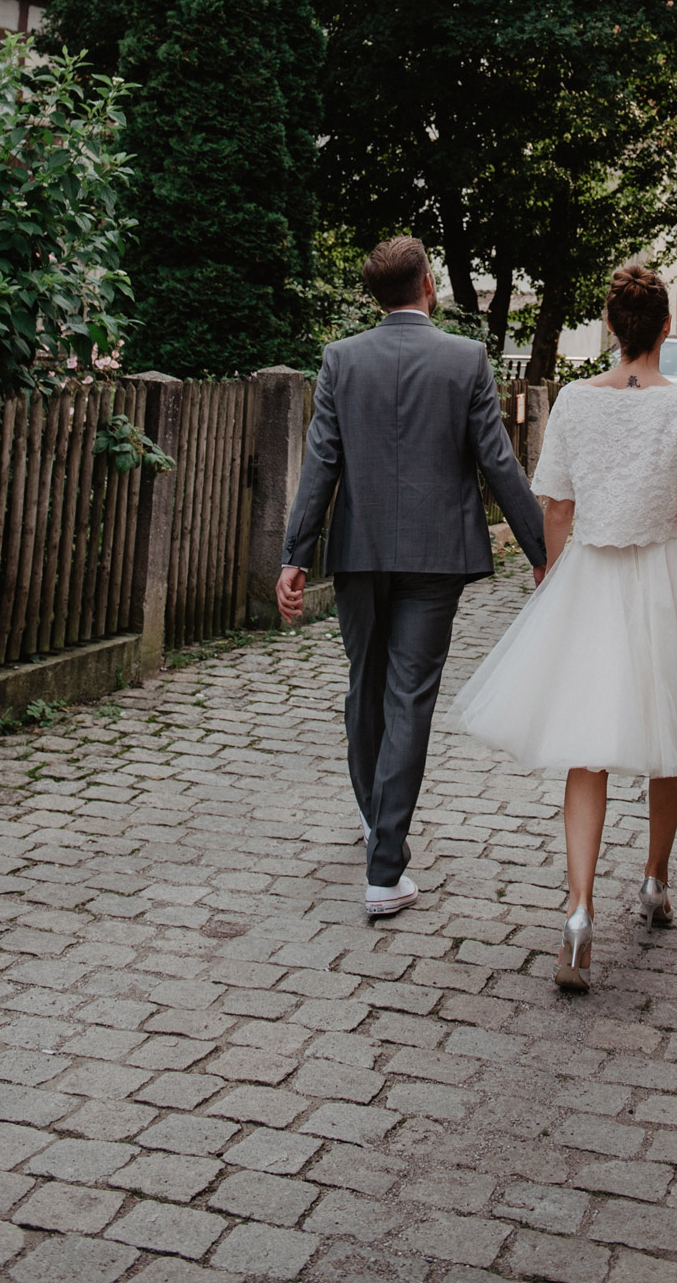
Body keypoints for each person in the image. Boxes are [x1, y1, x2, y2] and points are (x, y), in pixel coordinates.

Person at [450, 261, 677, 993]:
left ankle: (578, 912)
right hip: (668, 581)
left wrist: (556, 579)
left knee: (584, 752)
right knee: (675, 730)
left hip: (590, 576)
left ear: (611, 331)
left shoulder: (573, 403)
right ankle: (654, 878)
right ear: (662, 329)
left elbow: (555, 506)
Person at [278, 236, 547, 919]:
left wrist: (294, 555)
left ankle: (377, 823)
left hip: (358, 551)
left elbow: (321, 466)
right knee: (409, 696)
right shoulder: (466, 359)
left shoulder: (342, 359)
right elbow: (499, 463)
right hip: (435, 556)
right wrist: (542, 550)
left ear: (378, 294)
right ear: (429, 284)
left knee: (365, 682)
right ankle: (384, 864)